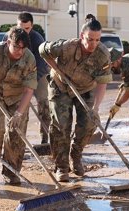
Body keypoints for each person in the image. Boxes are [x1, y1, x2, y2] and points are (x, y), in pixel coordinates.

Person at [39, 14, 111, 182]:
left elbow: (102, 83)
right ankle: (61, 166)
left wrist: (96, 108)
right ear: (81, 36)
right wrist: (57, 69)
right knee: (61, 126)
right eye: (90, 39)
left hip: (86, 89)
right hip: (60, 87)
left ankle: (76, 154)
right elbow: (43, 49)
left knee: (89, 123)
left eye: (97, 40)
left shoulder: (102, 54)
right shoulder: (66, 46)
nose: (93, 44)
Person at [0, 26, 37, 184]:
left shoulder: (29, 59)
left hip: (17, 96)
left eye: (23, 48)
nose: (20, 51)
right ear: (7, 42)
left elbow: (29, 89)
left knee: (16, 132)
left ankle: (11, 171)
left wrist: (18, 114)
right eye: (16, 47)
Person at [2, 12, 50, 144]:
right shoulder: (9, 37)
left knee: (44, 103)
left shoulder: (37, 39)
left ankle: (45, 137)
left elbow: (41, 64)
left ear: (32, 26)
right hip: (16, 75)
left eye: (27, 29)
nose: (23, 31)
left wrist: (30, 84)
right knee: (20, 107)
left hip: (37, 74)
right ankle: (17, 138)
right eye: (20, 28)